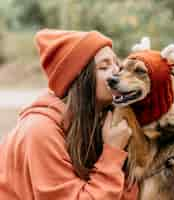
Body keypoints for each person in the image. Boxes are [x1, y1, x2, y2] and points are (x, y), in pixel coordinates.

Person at [0, 29, 138, 199]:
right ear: (79, 80)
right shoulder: (39, 131)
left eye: (117, 64)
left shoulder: (100, 122)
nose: (117, 72)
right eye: (104, 66)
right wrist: (113, 153)